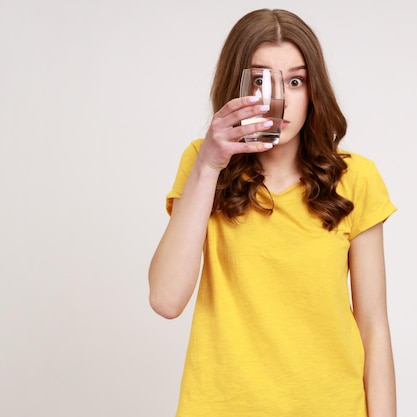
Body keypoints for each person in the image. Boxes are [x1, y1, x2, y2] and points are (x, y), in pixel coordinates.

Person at [149, 8, 397, 417]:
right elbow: (165, 299)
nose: (278, 99)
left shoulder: (356, 177)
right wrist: (210, 163)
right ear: (236, 86)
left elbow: (374, 325)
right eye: (260, 80)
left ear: (313, 90)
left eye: (295, 81)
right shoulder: (202, 163)